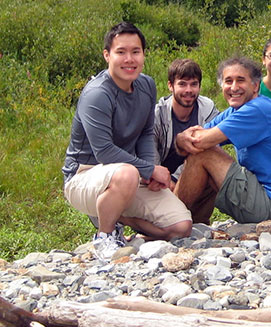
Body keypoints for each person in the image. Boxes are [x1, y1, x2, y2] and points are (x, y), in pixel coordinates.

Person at [62, 22, 192, 260]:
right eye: (121, 52)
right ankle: (105, 235)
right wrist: (149, 168)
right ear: (107, 55)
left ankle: (120, 217)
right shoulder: (97, 94)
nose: (129, 59)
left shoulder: (146, 85)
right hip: (84, 175)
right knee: (126, 174)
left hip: (129, 173)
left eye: (136, 51)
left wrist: (148, 172)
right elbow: (104, 152)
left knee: (181, 226)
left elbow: (144, 133)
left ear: (143, 54)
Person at [173, 56, 271, 224]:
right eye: (228, 81)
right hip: (261, 196)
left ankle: (169, 220)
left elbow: (198, 142)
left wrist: (182, 139)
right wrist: (182, 140)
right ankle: (194, 222)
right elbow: (194, 140)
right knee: (203, 152)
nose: (234, 87)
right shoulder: (236, 110)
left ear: (255, 86)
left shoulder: (258, 109)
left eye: (240, 80)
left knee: (205, 154)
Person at [154, 59, 219, 186]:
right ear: (170, 86)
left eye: (193, 84)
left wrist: (175, 179)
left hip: (192, 173)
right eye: (182, 84)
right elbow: (150, 153)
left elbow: (212, 148)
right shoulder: (157, 114)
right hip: (159, 179)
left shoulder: (207, 109)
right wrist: (161, 178)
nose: (188, 90)